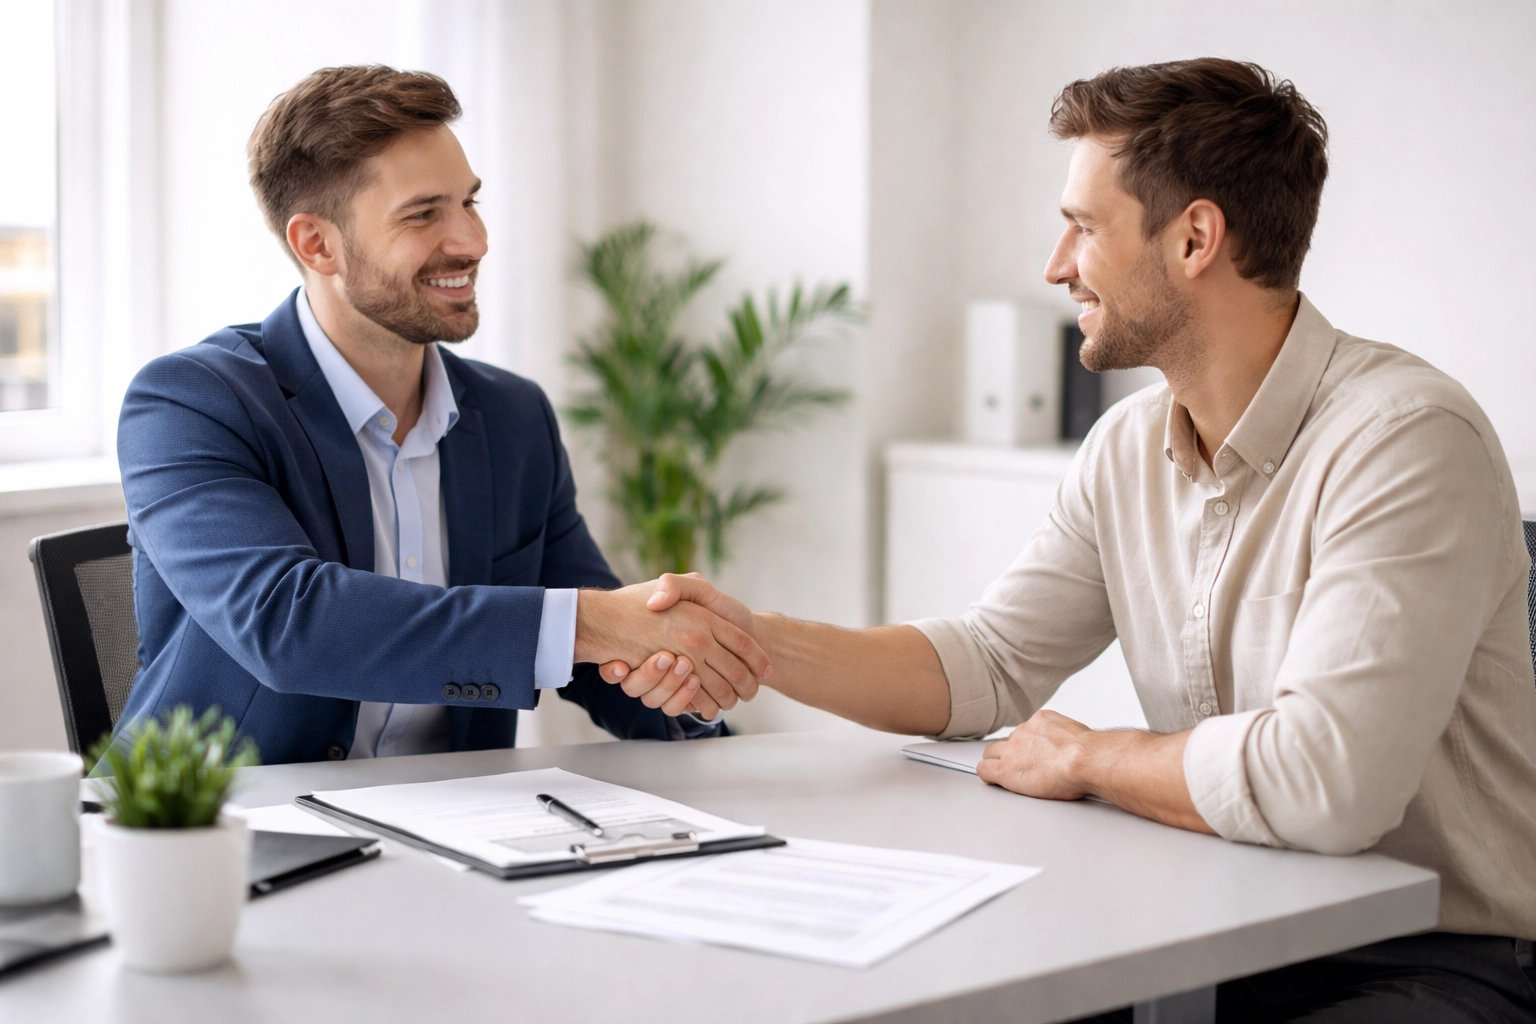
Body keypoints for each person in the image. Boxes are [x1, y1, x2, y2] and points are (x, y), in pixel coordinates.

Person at [616, 59, 1536, 1021]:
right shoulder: (1129, 446)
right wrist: (749, 642)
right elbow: (990, 663)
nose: (1056, 266)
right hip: (1218, 923)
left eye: (1084, 228)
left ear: (1195, 239)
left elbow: (1326, 784)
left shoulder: (1404, 441)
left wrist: (1093, 758)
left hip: (1432, 959)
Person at [114, 65, 767, 766]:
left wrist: (686, 695)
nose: (472, 241)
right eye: (424, 214)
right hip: (219, 817)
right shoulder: (190, 402)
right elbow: (289, 623)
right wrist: (590, 622)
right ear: (317, 244)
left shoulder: (513, 417)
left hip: (451, 814)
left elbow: (605, 654)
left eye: (469, 202)